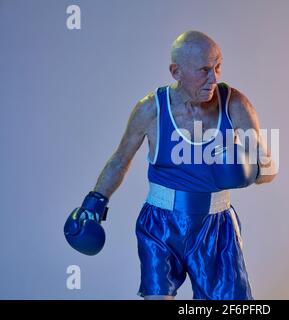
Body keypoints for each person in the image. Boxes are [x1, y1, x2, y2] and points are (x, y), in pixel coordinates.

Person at [64, 30, 277, 300]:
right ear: (176, 71)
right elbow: (120, 160)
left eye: (218, 66)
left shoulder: (235, 103)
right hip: (160, 224)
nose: (215, 78)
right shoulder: (150, 109)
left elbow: (269, 167)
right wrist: (93, 204)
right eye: (204, 70)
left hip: (216, 227)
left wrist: (249, 169)